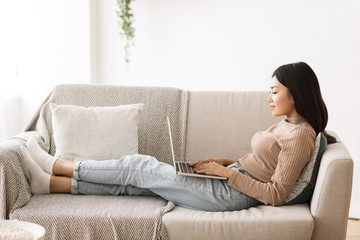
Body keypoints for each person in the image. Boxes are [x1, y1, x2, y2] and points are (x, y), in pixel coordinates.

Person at [20, 62, 335, 212]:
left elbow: (277, 192)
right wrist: (221, 162)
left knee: (139, 167)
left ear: (295, 94)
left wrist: (226, 174)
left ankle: (59, 165)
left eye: (274, 91)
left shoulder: (301, 136)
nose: (269, 97)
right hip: (229, 180)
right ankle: (48, 183)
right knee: (136, 185)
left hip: (231, 195)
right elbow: (259, 163)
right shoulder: (286, 124)